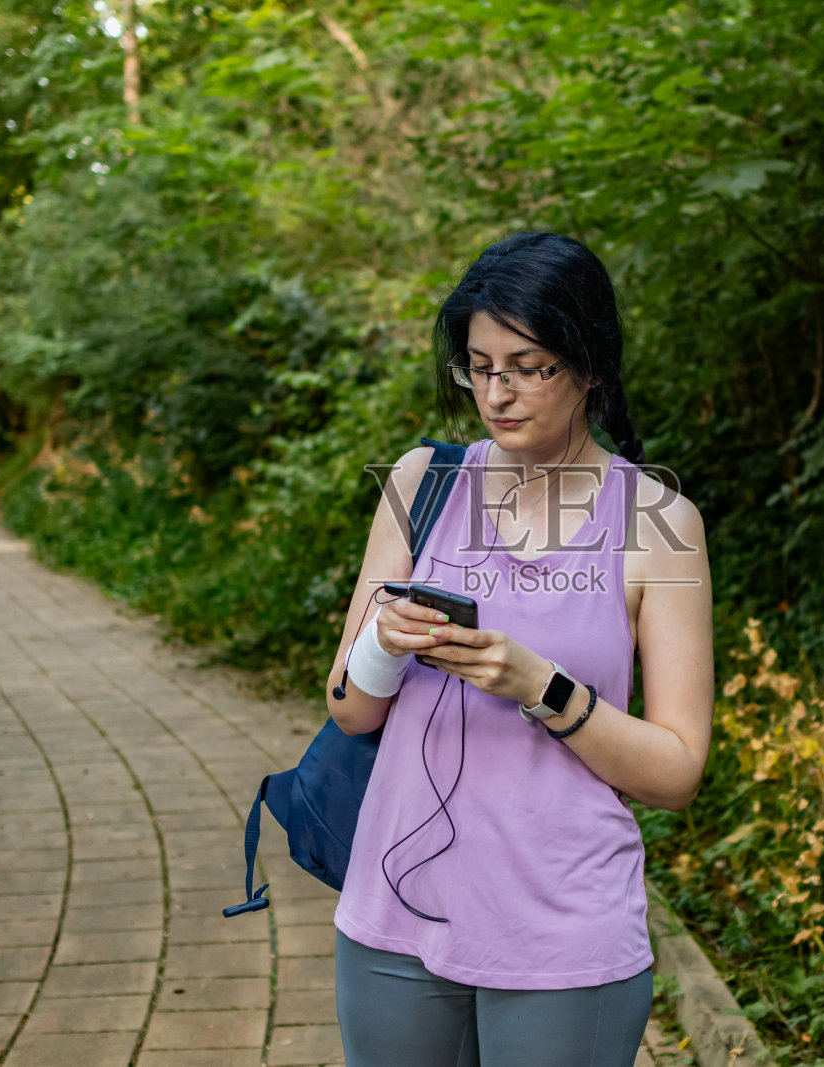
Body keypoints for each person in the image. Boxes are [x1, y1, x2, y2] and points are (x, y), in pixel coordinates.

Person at [324, 232, 714, 1067]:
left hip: (563, 934)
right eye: (479, 367)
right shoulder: (422, 483)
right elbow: (349, 710)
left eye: (527, 367)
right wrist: (384, 643)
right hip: (395, 914)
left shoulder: (659, 523)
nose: (496, 394)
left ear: (590, 365)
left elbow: (677, 772)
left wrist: (542, 685)